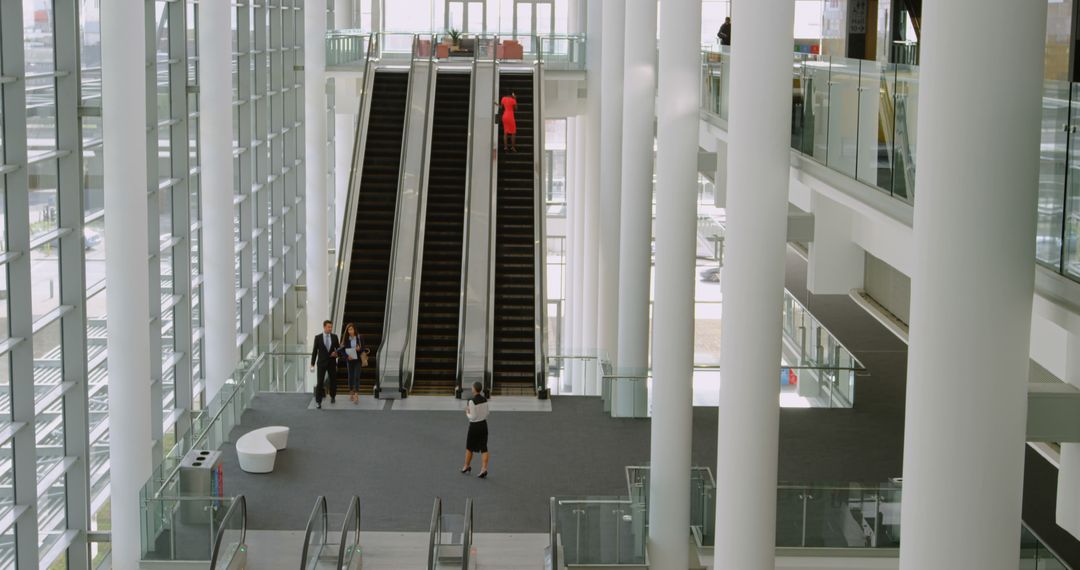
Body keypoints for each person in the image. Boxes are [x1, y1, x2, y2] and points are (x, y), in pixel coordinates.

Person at [460, 381, 490, 478]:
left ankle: (466, 466)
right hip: (483, 425)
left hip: (474, 427)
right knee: (484, 448)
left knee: (469, 447)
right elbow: (487, 413)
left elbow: (472, 417)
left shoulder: (471, 401)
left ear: (474, 389)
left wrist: (467, 412)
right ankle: (484, 468)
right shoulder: (485, 399)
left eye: (472, 387)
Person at [309, 320, 341, 409]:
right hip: (321, 363)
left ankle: (333, 396)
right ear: (324, 327)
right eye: (328, 327)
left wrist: (336, 354)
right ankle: (318, 401)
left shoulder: (335, 337)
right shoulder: (318, 337)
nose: (330, 329)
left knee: (333, 381)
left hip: (332, 362)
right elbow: (314, 352)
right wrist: (312, 364)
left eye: (331, 327)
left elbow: (338, 350)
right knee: (320, 382)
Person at [341, 322, 366, 403]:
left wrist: (359, 349)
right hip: (350, 360)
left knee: (357, 376)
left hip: (358, 360)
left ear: (354, 329)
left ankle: (356, 394)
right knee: (350, 376)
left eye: (351, 329)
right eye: (348, 330)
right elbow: (342, 350)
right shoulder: (345, 338)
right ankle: (351, 391)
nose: (350, 331)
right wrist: (347, 357)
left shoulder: (359, 337)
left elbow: (363, 349)